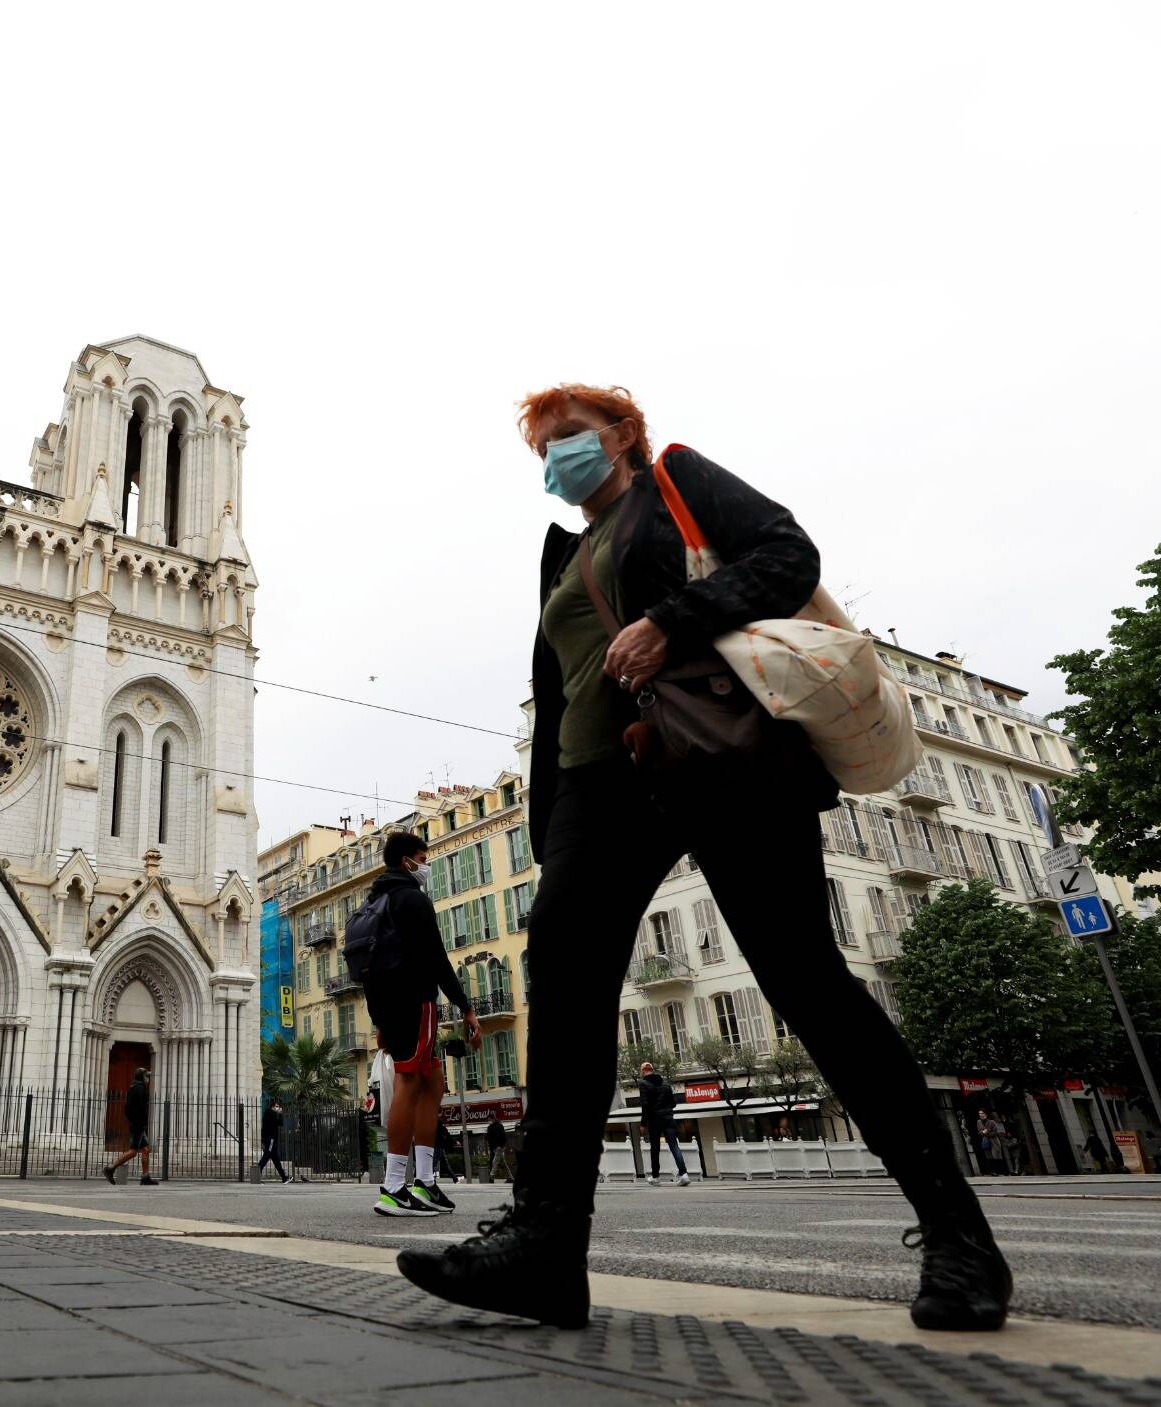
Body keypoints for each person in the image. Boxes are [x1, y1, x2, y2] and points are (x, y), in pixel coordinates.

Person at [395, 384, 1012, 1332]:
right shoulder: (563, 556)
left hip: (719, 749)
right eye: (542, 448)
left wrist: (673, 617)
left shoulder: (675, 479)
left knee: (805, 977)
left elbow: (788, 554)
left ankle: (960, 1237)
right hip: (603, 786)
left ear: (622, 437)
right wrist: (548, 820)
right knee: (562, 970)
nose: (558, 456)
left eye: (572, 437)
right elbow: (559, 702)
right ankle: (546, 1247)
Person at [362, 831, 481, 1216]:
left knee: (433, 1083)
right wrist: (465, 1007)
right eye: (423, 856)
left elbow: (369, 970)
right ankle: (394, 1186)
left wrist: (379, 1019)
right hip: (415, 1001)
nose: (426, 863)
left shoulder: (376, 901)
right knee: (411, 1082)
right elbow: (436, 957)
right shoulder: (412, 899)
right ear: (407, 860)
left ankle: (426, 1181)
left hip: (391, 1006)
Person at [637, 1062, 690, 1186]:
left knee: (655, 1148)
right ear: (652, 1070)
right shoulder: (665, 1084)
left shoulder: (643, 1084)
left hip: (654, 1120)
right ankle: (684, 1174)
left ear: (643, 1071)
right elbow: (673, 1103)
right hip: (668, 1118)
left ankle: (655, 1177)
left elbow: (645, 1105)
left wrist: (643, 1123)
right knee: (674, 1145)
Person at [103, 1069, 157, 1186]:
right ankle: (110, 1168)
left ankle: (145, 1177)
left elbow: (128, 1108)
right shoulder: (140, 1088)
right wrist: (139, 1121)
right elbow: (140, 1108)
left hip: (136, 1123)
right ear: (142, 1077)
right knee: (133, 1151)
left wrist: (133, 1120)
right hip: (138, 1125)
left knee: (146, 1150)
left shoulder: (133, 1087)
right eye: (146, 1076)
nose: (148, 1079)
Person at [254, 1098, 291, 1183]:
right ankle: (256, 1176)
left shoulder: (269, 1113)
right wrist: (280, 1114)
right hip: (270, 1139)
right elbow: (280, 1123)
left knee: (276, 1159)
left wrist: (263, 1140)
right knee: (266, 1156)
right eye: (276, 1106)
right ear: (272, 1107)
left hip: (271, 1139)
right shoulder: (270, 1114)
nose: (278, 1108)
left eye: (278, 1106)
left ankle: (284, 1178)